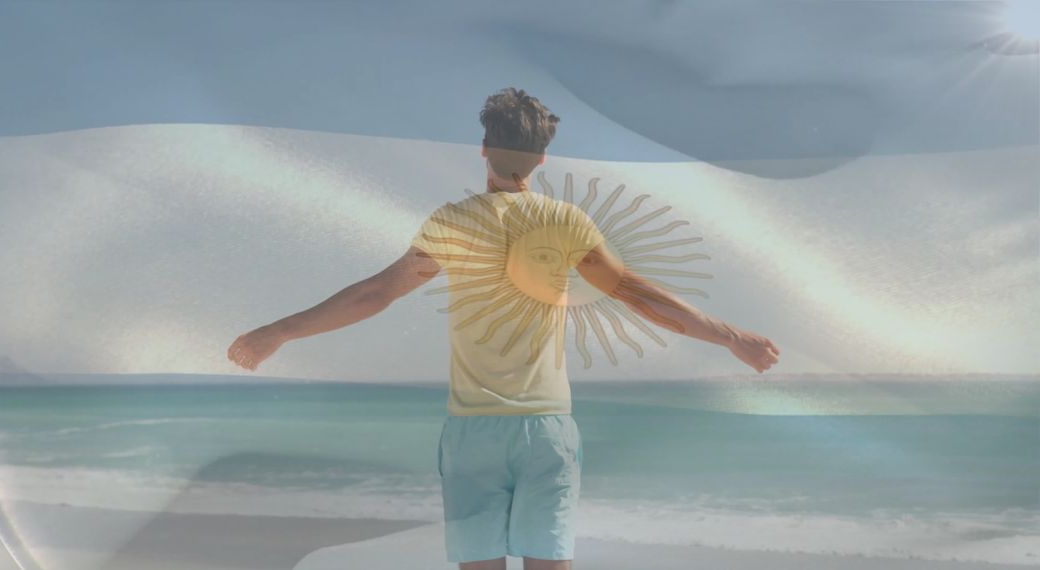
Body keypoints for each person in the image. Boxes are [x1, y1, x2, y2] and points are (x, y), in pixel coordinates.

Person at [227, 87, 780, 570]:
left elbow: (375, 294)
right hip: (544, 428)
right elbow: (639, 298)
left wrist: (278, 332)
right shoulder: (565, 222)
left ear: (485, 148)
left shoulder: (454, 222)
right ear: (542, 156)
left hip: (472, 432)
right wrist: (732, 337)